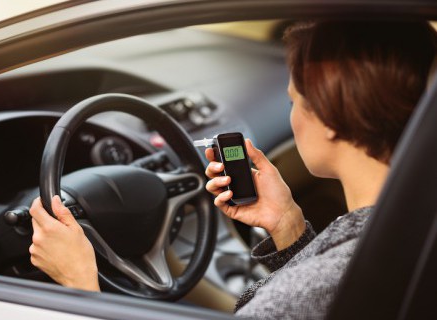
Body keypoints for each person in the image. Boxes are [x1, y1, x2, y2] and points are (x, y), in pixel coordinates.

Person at [28, 20, 437, 318]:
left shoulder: (295, 299)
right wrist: (289, 227)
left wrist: (82, 286)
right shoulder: (412, 227)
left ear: (330, 120)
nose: (292, 112)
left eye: (294, 99)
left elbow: (302, 298)